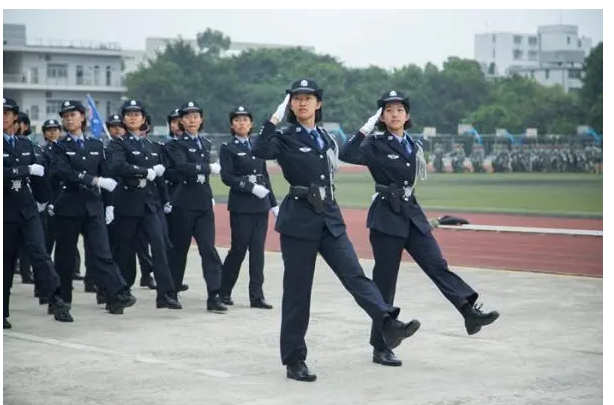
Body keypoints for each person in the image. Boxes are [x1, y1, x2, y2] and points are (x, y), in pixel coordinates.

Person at [252, 79, 421, 382]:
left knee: (355, 274)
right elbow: (260, 148)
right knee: (297, 293)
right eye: (297, 99)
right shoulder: (285, 137)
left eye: (309, 98)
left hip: (329, 216)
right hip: (299, 219)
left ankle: (387, 323)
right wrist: (274, 118)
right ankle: (294, 359)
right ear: (291, 105)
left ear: (318, 104)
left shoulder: (327, 138)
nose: (302, 103)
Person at [338, 90, 500, 366]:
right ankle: (381, 347)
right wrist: (367, 125)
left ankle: (469, 312)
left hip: (412, 214)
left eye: (399, 109)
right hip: (386, 217)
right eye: (388, 110)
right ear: (381, 116)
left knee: (437, 264)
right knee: (385, 283)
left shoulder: (414, 144)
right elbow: (347, 153)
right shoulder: (375, 144)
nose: (394, 114)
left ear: (407, 115)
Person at [51, 99, 137, 315]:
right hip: (68, 207)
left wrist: (109, 206)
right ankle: (62, 302)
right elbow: (65, 173)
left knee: (102, 253)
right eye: (66, 115)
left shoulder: (96, 145)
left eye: (73, 114)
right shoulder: (60, 147)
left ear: (82, 117)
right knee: (65, 257)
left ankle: (117, 294)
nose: (69, 119)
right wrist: (94, 181)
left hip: (93, 207)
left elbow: (107, 176)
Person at [3, 97, 73, 328]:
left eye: (7, 112)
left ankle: (56, 300)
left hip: (27, 208)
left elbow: (39, 175)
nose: (3, 116)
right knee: (5, 262)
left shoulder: (25, 144)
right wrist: (23, 169)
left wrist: (46, 201)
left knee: (41, 255)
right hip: (4, 210)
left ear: (15, 117)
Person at [107, 99, 181, 309]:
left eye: (137, 114)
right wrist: (143, 172)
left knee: (160, 246)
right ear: (123, 119)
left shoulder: (153, 146)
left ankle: (165, 294)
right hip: (128, 201)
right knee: (125, 251)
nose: (133, 117)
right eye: (129, 114)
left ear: (144, 119)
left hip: (150, 202)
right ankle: (120, 294)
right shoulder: (117, 143)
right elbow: (119, 166)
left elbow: (159, 177)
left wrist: (166, 200)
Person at [165, 101, 226, 311]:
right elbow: (182, 167)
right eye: (187, 116)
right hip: (183, 204)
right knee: (179, 250)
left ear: (201, 119)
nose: (192, 120)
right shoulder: (175, 145)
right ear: (181, 121)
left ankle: (214, 294)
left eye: (195, 116)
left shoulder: (206, 143)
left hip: (203, 204)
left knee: (208, 249)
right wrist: (207, 167)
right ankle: (171, 292)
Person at [219, 105, 278, 309]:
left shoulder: (257, 145)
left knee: (257, 252)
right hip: (242, 206)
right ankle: (224, 291)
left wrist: (273, 204)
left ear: (251, 124)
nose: (241, 123)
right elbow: (227, 177)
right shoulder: (228, 147)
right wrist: (250, 187)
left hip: (260, 206)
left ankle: (257, 296)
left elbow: (264, 175)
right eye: (237, 120)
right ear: (232, 125)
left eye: (245, 119)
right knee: (238, 250)